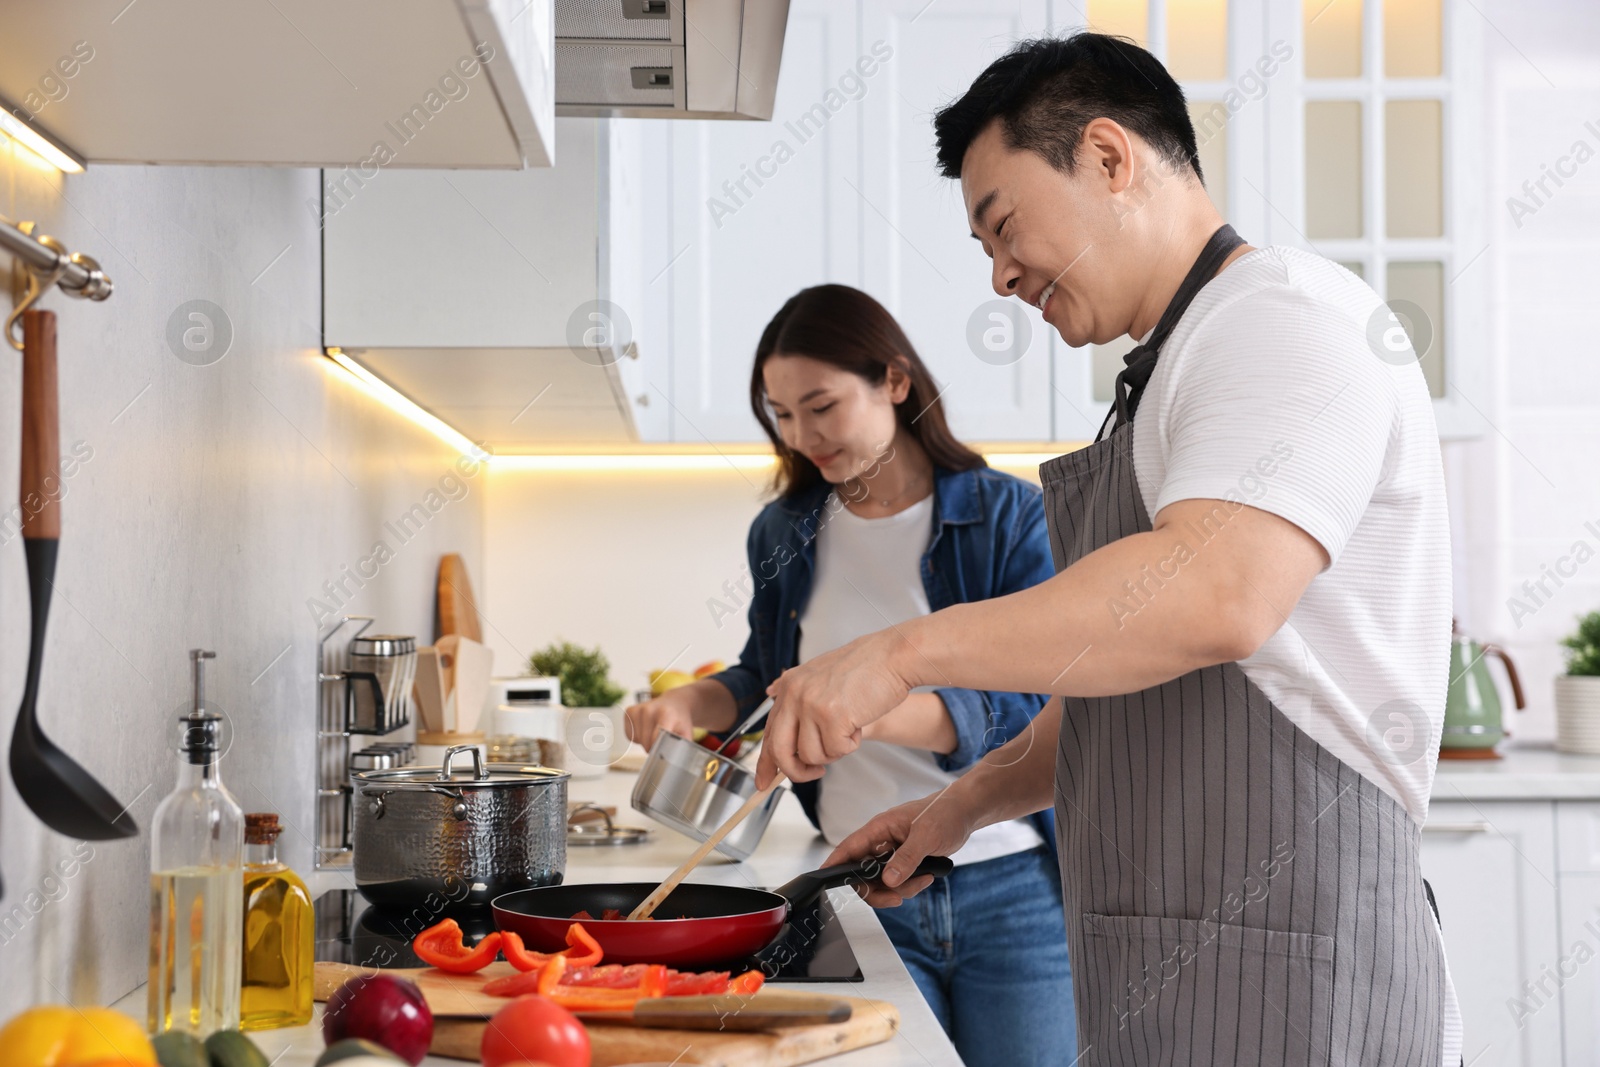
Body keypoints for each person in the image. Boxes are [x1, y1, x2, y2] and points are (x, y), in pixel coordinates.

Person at [754, 34, 1461, 1067]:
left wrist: (898, 652)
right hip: (1181, 954)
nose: (1000, 274)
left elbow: (1213, 595)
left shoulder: (1281, 320)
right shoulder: (1167, 370)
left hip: (1293, 954)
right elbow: (1124, 685)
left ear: (1107, 157)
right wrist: (956, 808)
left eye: (1003, 226)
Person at [624, 283, 1076, 1066]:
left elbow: (1035, 703)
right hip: (857, 885)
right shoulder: (785, 528)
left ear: (895, 382)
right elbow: (766, 672)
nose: (802, 435)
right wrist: (686, 702)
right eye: (782, 414)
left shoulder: (1009, 518)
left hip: (1008, 881)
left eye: (822, 405)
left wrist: (863, 706)